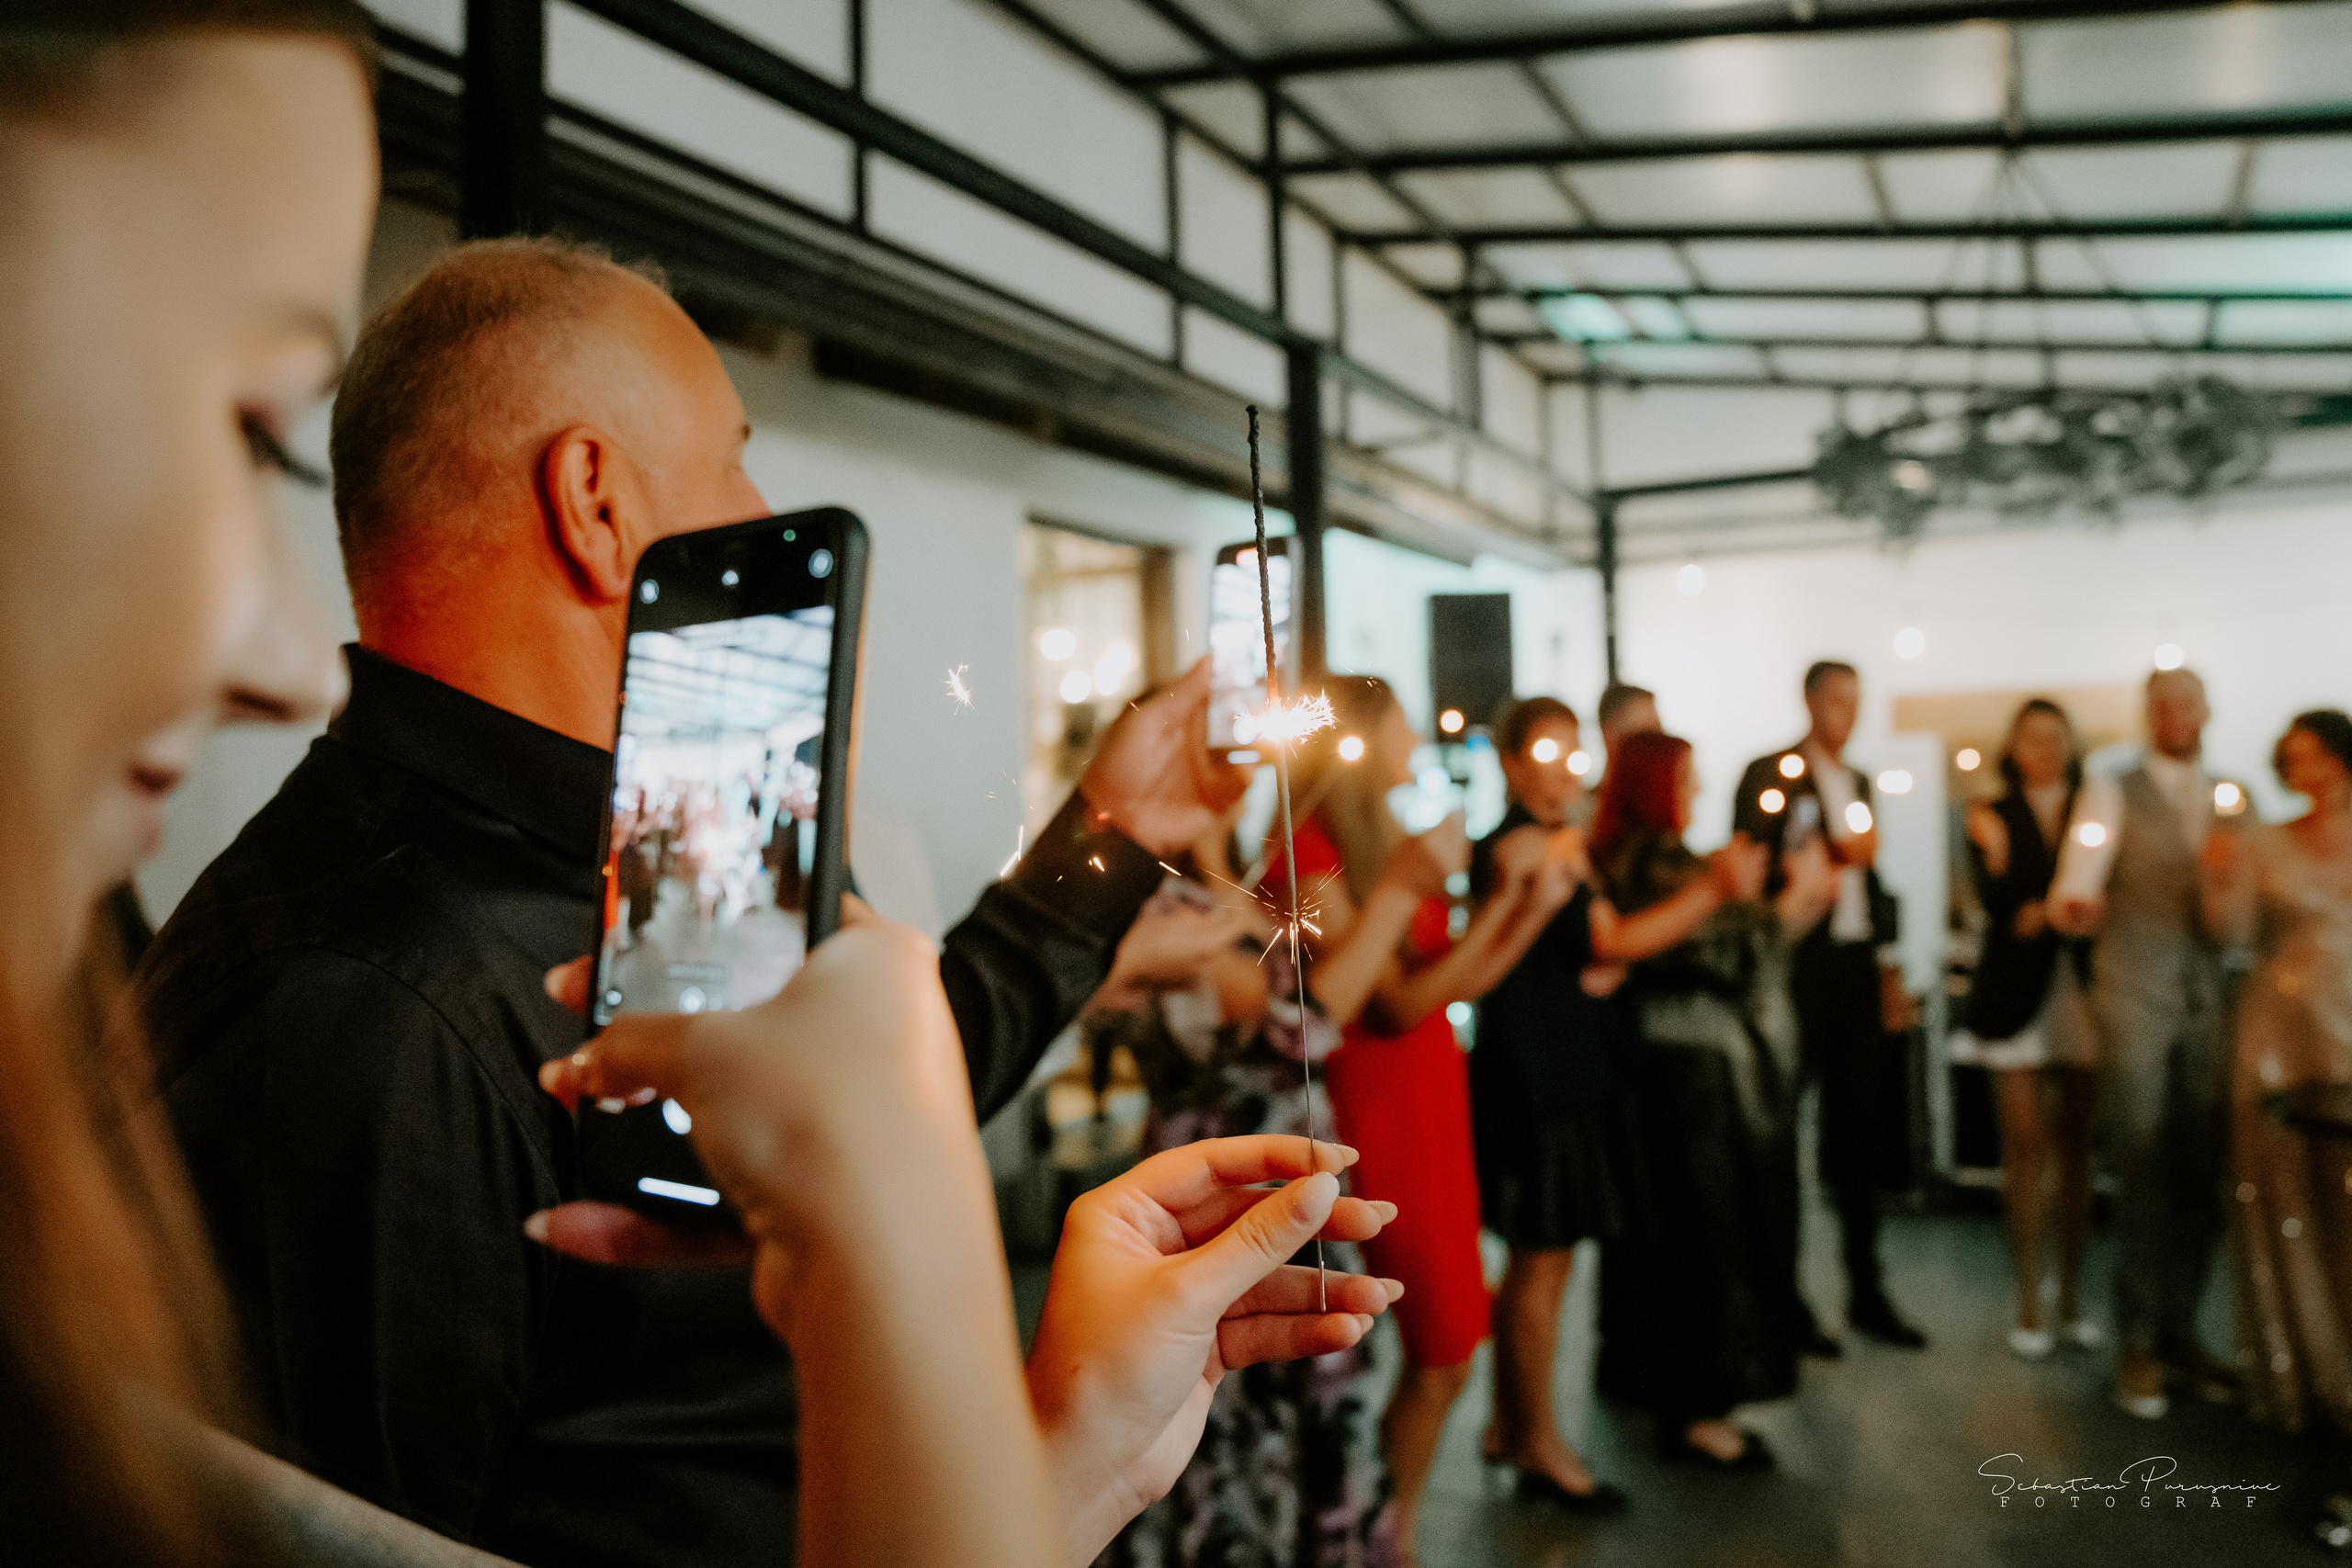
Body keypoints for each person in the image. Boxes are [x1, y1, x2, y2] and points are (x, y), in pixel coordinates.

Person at [0, 9, 1396, 1564]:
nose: (761, 504)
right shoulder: (369, 996)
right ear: (597, 505)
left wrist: (1117, 836)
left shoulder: (649, 862)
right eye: (733, 456)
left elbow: (868, 1093)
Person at [1086, 787, 1454, 1567]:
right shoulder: (1159, 908)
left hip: (1291, 1163)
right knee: (1237, 1406)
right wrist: (1396, 892)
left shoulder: (1237, 892)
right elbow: (1304, 1028)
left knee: (1314, 1384)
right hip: (1221, 1181)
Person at [1266, 676, 1567, 1567]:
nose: (1410, 734)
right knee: (1439, 1340)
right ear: (1362, 735)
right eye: (1396, 717)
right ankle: (1382, 1541)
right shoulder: (1306, 856)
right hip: (1377, 1107)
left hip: (1431, 1094)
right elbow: (1390, 1005)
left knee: (1450, 1339)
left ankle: (1387, 1532)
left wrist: (1522, 909)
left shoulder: (1381, 843)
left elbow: (1452, 982)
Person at [1470, 698, 1765, 1512]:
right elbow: (1608, 940)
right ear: (1509, 763)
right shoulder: (1526, 842)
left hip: (1556, 1064)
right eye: (1547, 752)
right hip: (1541, 1073)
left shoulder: (1557, 840)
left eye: (1573, 751)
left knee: (1540, 1260)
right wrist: (1711, 891)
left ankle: (1509, 1425)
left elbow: (1594, 948)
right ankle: (1544, 1450)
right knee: (1543, 1262)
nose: (1566, 767)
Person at [1593, 732, 1835, 1469]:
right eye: (1688, 779)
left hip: (1668, 1071)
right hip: (1694, 1076)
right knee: (1711, 1237)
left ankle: (1651, 1380)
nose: (1696, 792)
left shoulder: (1632, 856)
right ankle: (1699, 1408)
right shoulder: (1654, 859)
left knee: (1669, 1239)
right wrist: (1791, 904)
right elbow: (1718, 952)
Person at [2052, 668, 2238, 1420]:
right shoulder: (2109, 787)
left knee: (2204, 1172)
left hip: (2212, 1000)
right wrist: (2076, 902)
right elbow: (2076, 880)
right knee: (2145, 1163)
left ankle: (2181, 1331)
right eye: (2161, 704)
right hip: (2133, 992)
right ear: (2147, 714)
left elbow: (2245, 910)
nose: (2174, 714)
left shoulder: (2233, 797)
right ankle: (2135, 1341)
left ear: (2206, 710)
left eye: (2186, 702)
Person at [1732, 660, 1927, 1351]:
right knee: (1782, 1136)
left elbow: (1874, 887)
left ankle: (1866, 1289)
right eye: (1837, 697)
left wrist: (1889, 970)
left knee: (1859, 1137)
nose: (1848, 710)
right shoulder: (1770, 772)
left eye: (1856, 698)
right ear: (1811, 699)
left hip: (1853, 968)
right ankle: (1781, 1299)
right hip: (1797, 968)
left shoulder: (1863, 781)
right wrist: (1826, 863)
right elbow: (1750, 871)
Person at [2200, 709, 2352, 1435]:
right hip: (2280, 1029)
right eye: (2292, 759)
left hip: (2349, 1025)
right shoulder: (2263, 839)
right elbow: (2228, 934)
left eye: (2318, 754)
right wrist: (2221, 872)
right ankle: (2302, 1374)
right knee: (2283, 1196)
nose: (2306, 771)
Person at [1951, 700, 2102, 1359]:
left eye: (2053, 734)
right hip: (2013, 992)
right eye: (2030, 735)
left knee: (2077, 1151)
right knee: (2024, 1147)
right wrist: (2008, 863)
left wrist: (2057, 912)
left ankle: (2072, 1295)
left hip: (2080, 987)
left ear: (2070, 744)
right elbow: (1995, 901)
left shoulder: (2094, 808)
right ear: (2013, 745)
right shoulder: (1991, 813)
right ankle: (2029, 1300)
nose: (2042, 745)